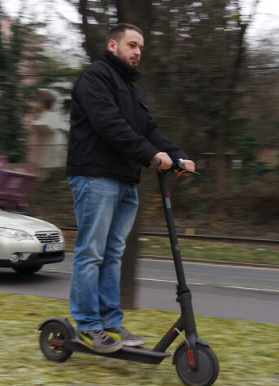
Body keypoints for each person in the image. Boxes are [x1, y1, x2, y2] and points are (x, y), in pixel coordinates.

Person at [66, 23, 196, 353]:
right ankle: (87, 325)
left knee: (113, 254)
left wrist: (177, 154)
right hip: (94, 176)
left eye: (141, 47)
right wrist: (150, 155)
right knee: (91, 253)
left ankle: (111, 321)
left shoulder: (132, 89)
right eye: (132, 45)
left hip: (124, 180)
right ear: (113, 45)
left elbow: (147, 128)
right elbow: (110, 124)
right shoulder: (95, 77)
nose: (138, 52)